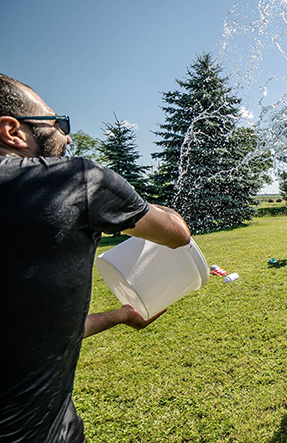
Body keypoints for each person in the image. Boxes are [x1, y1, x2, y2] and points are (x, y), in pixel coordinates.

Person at [0, 74, 192, 442]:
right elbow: (176, 234)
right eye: (57, 123)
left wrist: (121, 316)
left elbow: (39, 333)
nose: (67, 136)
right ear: (12, 130)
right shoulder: (75, 180)